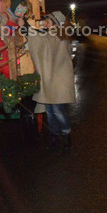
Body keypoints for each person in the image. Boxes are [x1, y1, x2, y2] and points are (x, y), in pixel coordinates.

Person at [26, 11, 76, 150]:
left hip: (58, 80)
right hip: (51, 79)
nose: (45, 24)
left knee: (57, 109)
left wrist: (26, 27)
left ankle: (66, 135)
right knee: (49, 110)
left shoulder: (58, 37)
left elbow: (41, 42)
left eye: (48, 22)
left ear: (55, 24)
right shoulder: (53, 35)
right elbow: (42, 40)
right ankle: (54, 136)